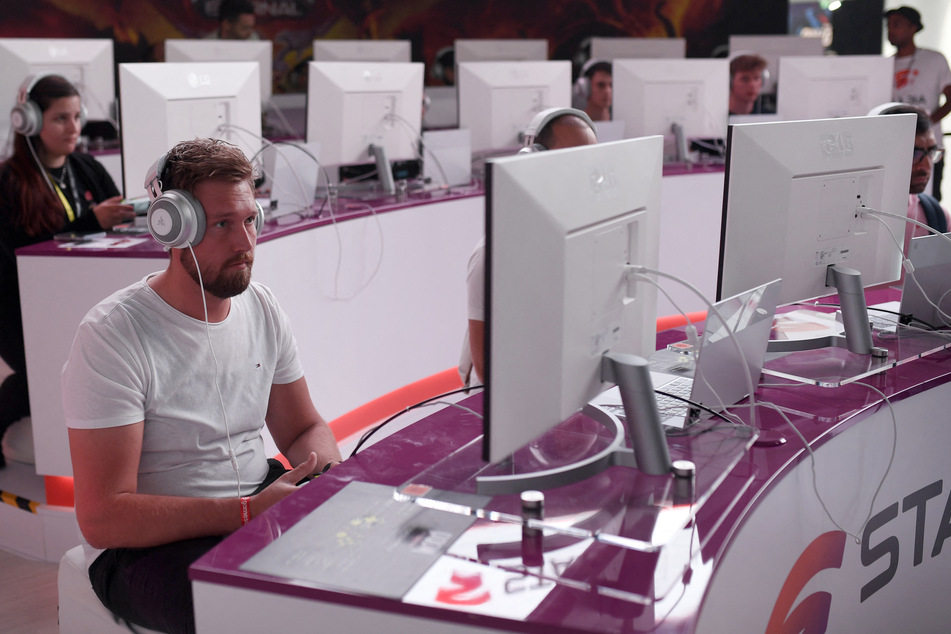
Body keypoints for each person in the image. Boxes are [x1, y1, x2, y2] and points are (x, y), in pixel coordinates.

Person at [61, 138, 342, 634]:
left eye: (250, 220)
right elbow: (103, 518)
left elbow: (303, 428)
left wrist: (327, 480)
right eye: (223, 225)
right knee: (257, 617)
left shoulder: (263, 306)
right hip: (143, 548)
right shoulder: (112, 334)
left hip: (254, 498)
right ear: (173, 226)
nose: (246, 243)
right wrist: (243, 513)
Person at [0, 74, 133, 468]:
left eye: (77, 116)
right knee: (53, 371)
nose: (74, 128)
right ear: (31, 122)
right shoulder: (9, 182)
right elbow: (19, 258)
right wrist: (92, 222)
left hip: (83, 297)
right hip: (20, 308)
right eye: (61, 118)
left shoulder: (87, 168)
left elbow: (119, 220)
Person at [459, 108, 598, 385]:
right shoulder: (493, 253)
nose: (587, 172)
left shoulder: (586, 238)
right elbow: (486, 369)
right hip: (509, 404)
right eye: (574, 160)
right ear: (535, 160)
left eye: (591, 160)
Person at [885, 6, 951, 201]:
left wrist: (926, 123)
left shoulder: (934, 59)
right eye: (888, 25)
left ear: (913, 27)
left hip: (929, 148)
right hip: (896, 147)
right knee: (897, 201)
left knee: (929, 201)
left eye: (896, 25)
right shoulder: (885, 65)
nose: (891, 30)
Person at [880, 104, 951, 256]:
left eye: (931, 152)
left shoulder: (936, 214)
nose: (925, 165)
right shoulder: (859, 217)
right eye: (914, 154)